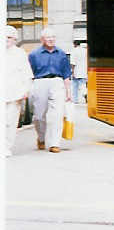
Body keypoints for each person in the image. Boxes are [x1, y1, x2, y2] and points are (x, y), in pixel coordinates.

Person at [28, 27, 72, 153]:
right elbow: (29, 73)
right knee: (39, 115)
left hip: (57, 82)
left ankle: (54, 143)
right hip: (40, 82)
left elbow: (66, 74)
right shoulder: (33, 55)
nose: (51, 39)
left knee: (58, 114)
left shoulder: (62, 54)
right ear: (42, 39)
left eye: (53, 37)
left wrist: (68, 92)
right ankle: (41, 138)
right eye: (48, 37)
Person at [5, 26, 33, 157]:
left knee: (11, 122)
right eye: (5, 37)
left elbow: (27, 73)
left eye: (10, 38)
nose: (7, 40)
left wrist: (26, 90)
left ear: (15, 40)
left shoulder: (20, 53)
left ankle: (6, 146)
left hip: (15, 93)